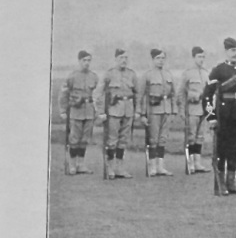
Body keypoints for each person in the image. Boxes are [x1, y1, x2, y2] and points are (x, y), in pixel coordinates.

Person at [202, 37, 236, 195]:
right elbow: (207, 95)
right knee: (222, 150)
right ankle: (220, 184)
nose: (235, 54)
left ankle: (231, 183)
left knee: (235, 149)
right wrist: (211, 116)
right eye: (232, 51)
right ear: (226, 51)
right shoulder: (218, 70)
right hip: (224, 116)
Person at [58, 50, 101, 173]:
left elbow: (98, 95)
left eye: (88, 60)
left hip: (89, 111)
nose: (86, 63)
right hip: (76, 111)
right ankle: (72, 165)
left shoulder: (94, 76)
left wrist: (98, 110)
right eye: (84, 60)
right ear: (79, 61)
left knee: (85, 139)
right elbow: (63, 94)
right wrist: (62, 110)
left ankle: (81, 165)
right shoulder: (72, 76)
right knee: (74, 139)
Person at [138, 48, 176, 176]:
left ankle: (160, 166)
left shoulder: (168, 74)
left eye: (163, 58)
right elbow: (141, 96)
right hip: (153, 111)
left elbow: (173, 94)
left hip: (166, 110)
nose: (161, 61)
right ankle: (152, 166)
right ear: (153, 60)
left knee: (163, 139)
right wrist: (142, 114)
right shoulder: (147, 75)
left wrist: (173, 111)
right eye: (158, 58)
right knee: (153, 139)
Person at [101, 47, 138, 178]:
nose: (124, 60)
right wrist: (101, 111)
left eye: (126, 58)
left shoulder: (132, 74)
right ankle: (110, 168)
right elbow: (100, 93)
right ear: (115, 59)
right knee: (112, 140)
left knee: (123, 140)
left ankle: (120, 168)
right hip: (114, 110)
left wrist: (137, 111)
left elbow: (137, 94)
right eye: (121, 58)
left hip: (128, 110)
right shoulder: (109, 74)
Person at [178, 47, 211, 172]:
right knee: (191, 137)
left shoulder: (206, 73)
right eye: (199, 57)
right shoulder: (187, 73)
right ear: (193, 58)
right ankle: (189, 163)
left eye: (203, 57)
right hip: (191, 109)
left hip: (203, 110)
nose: (201, 59)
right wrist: (181, 110)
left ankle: (197, 163)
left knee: (200, 136)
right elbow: (180, 93)